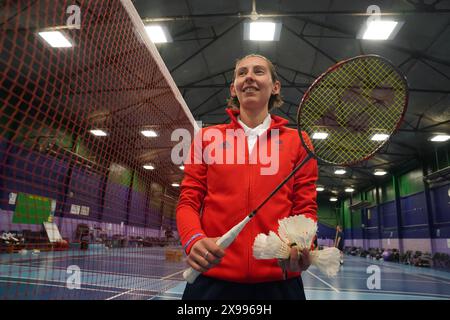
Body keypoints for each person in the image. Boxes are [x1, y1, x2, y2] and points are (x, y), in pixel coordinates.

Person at [176, 54, 318, 300]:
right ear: (234, 88)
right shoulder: (206, 137)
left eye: (259, 71)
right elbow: (188, 200)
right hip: (211, 279)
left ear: (275, 87)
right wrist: (193, 239)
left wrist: (302, 245)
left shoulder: (299, 141)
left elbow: (304, 206)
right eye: (242, 73)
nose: (249, 77)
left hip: (280, 282)